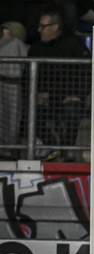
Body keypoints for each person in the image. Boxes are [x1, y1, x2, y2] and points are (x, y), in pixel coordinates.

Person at [28, 10, 90, 160]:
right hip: (46, 97)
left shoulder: (74, 44)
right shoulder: (36, 48)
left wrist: (77, 95)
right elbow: (27, 77)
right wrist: (33, 94)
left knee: (72, 111)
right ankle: (52, 145)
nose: (39, 30)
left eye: (43, 26)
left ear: (55, 27)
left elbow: (88, 73)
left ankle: (66, 149)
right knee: (29, 113)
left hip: (71, 96)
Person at [0, 21, 28, 161]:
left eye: (9, 35)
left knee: (11, 120)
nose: (5, 39)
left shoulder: (18, 46)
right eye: (3, 35)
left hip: (13, 88)